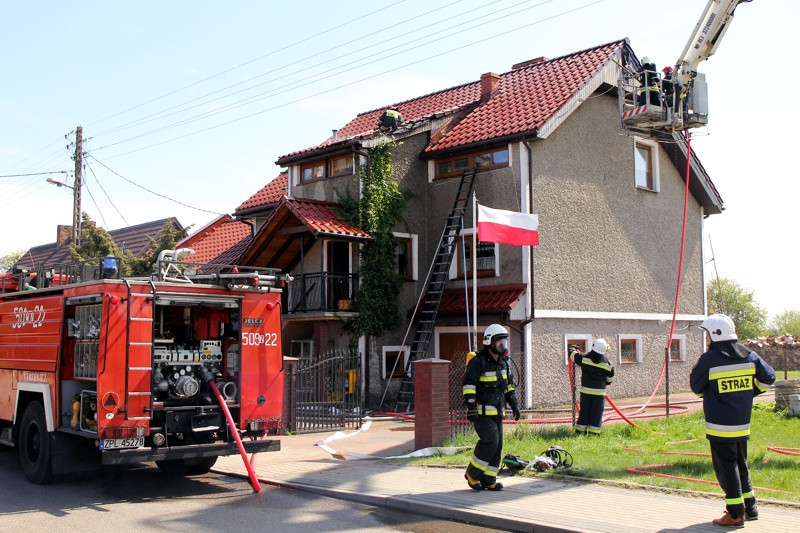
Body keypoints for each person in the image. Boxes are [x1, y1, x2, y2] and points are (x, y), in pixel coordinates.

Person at [690, 314, 775, 527]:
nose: (707, 339)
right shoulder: (750, 355)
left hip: (719, 426)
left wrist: (711, 394)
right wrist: (750, 392)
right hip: (742, 424)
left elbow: (696, 387)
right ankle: (750, 508)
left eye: (708, 334)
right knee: (741, 465)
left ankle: (735, 514)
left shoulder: (709, 359)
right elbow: (769, 377)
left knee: (726, 469)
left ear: (715, 334)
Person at [462, 324, 520, 491]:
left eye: (504, 342)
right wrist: (471, 406)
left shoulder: (503, 363)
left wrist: (514, 405)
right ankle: (472, 474)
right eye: (499, 343)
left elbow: (508, 387)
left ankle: (489, 479)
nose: (503, 346)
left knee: (498, 445)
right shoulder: (478, 362)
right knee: (490, 441)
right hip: (481, 412)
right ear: (490, 342)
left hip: (497, 411)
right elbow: (468, 384)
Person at [569, 339, 614, 435]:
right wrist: (602, 383)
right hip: (599, 393)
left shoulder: (584, 358)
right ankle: (594, 433)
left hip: (586, 392)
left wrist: (573, 348)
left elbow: (572, 355)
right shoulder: (608, 363)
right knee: (596, 414)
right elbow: (610, 379)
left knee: (584, 413)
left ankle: (580, 433)